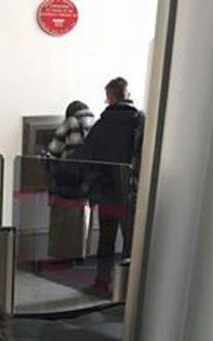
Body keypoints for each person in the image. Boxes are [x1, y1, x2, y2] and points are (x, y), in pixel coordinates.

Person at [73, 77, 145, 296]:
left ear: (111, 97)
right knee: (131, 240)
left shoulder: (103, 124)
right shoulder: (140, 120)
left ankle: (102, 284)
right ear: (127, 94)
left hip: (106, 193)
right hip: (131, 191)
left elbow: (85, 156)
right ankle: (130, 289)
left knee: (106, 239)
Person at [45, 101, 95, 263]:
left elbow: (54, 151)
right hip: (86, 182)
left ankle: (63, 256)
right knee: (80, 218)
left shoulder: (70, 123)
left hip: (66, 181)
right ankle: (79, 254)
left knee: (63, 219)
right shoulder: (95, 124)